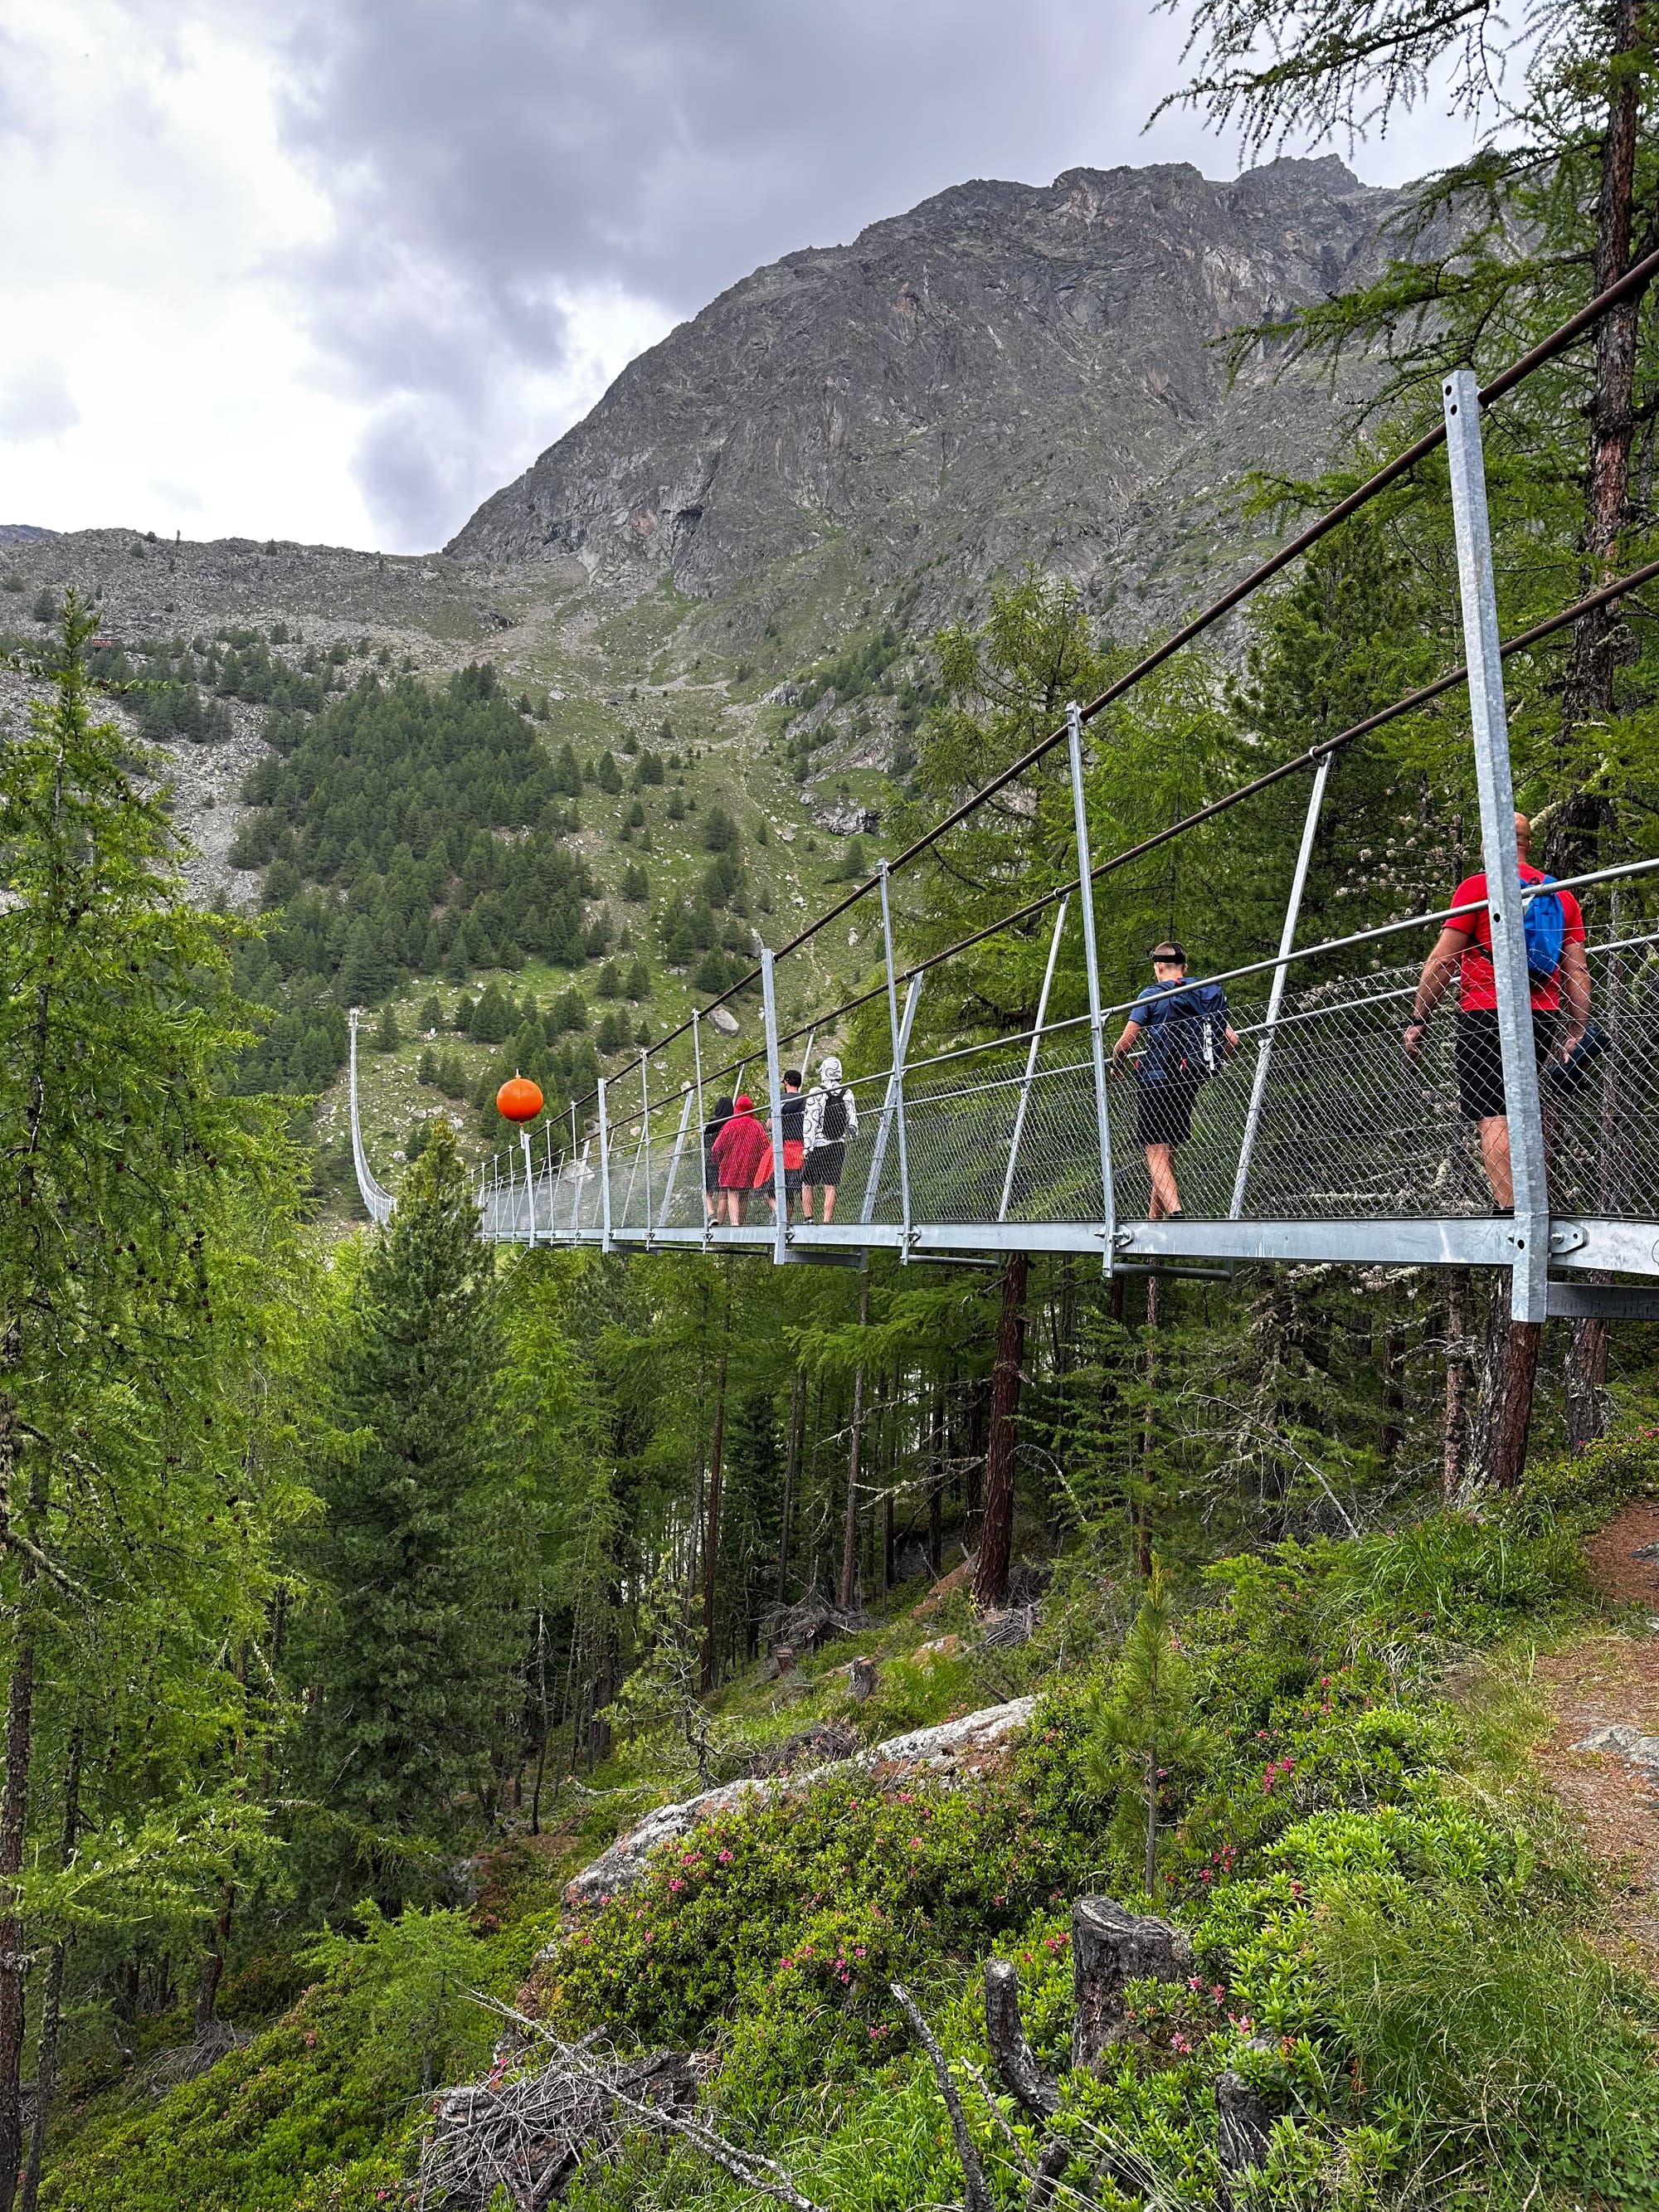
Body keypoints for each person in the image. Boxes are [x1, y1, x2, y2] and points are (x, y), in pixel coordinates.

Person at [1404, 812, 1589, 1210]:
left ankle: (1512, 1212)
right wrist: (1576, 1027)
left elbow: (1443, 960)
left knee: (1493, 1112)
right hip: (1544, 1013)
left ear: (1491, 843)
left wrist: (1420, 1017)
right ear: (1527, 843)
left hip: (1485, 1013)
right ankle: (1540, 1202)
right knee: (1534, 1108)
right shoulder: (1561, 894)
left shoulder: (1479, 887)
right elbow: (1577, 968)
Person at [1110, 942, 1237, 1219]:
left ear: (1157, 967)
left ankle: (1176, 1213)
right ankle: (1154, 1220)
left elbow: (1125, 1043)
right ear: (1185, 967)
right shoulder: (1202, 993)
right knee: (1166, 1152)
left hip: (1155, 1079)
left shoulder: (1151, 995)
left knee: (1155, 1150)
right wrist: (1212, 1064)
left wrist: (1116, 1065)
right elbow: (1232, 1039)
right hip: (1188, 1079)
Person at [802, 1056, 858, 1223]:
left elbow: (810, 1121)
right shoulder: (847, 1092)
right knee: (831, 1184)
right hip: (837, 1145)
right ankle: (827, 1220)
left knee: (807, 1182)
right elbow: (853, 1122)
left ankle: (808, 1218)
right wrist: (853, 1135)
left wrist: (807, 1147)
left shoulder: (816, 1092)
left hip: (818, 1145)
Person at [752, 1069, 808, 1222]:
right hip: (800, 1149)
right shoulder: (807, 1099)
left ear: (786, 1083)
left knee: (767, 1187)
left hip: (782, 1149)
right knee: (790, 1191)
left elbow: (770, 1125)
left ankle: (779, 1212)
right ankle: (790, 1221)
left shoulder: (780, 1100)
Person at [712, 1092, 767, 1224]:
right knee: (744, 1196)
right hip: (750, 1166)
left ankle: (735, 1224)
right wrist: (760, 1163)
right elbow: (765, 1147)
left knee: (732, 1194)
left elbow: (717, 1148)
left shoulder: (729, 1125)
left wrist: (718, 1161)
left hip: (730, 1166)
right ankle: (741, 1224)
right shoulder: (756, 1125)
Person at [702, 1094, 733, 1224]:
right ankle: (719, 1222)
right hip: (727, 1160)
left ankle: (712, 1215)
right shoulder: (732, 1122)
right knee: (723, 1194)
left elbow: (705, 1143)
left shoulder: (713, 1122)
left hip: (713, 1160)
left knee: (706, 1191)